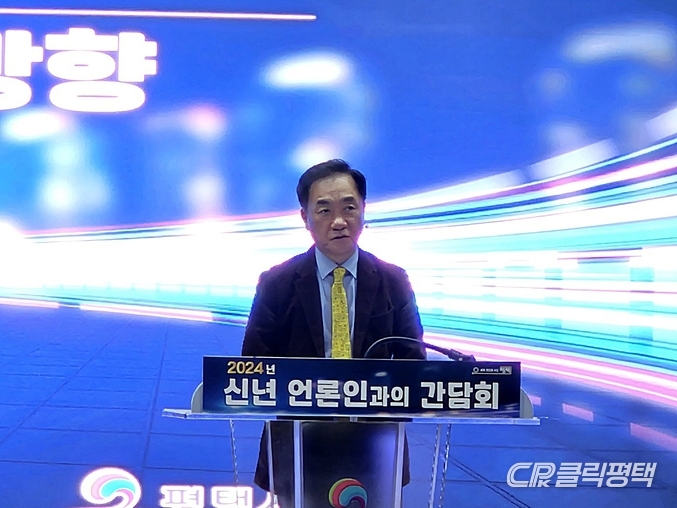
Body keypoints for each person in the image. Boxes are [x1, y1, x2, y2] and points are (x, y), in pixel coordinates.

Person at [241, 159, 425, 497]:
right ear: (305, 218)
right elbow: (254, 364)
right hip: (297, 445)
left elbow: (413, 362)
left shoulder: (393, 280)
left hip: (376, 446)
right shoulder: (277, 283)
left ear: (364, 210)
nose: (339, 221)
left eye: (349, 208)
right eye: (324, 210)